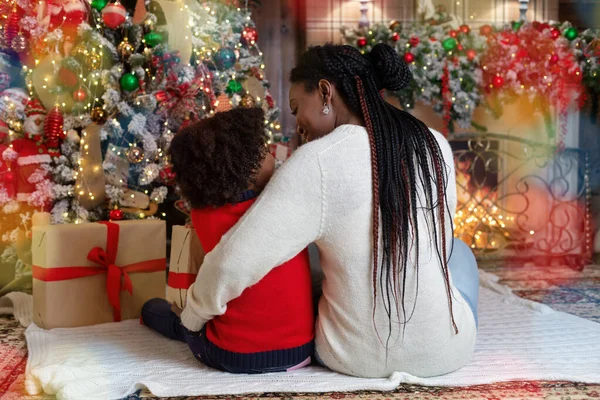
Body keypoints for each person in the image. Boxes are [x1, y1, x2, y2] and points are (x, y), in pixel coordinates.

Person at [179, 43, 479, 378]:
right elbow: (442, 243)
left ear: (325, 92)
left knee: (303, 256)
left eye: (297, 108)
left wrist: (191, 318)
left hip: (351, 358)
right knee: (461, 255)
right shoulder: (433, 143)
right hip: (447, 354)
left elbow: (234, 261)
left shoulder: (316, 161)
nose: (298, 126)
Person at [141, 107, 315, 374]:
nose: (272, 157)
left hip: (235, 355)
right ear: (243, 167)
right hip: (300, 351)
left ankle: (160, 316)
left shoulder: (204, 215)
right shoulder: (280, 204)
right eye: (264, 152)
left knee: (161, 312)